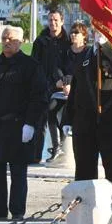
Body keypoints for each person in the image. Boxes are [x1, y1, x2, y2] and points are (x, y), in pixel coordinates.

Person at [0, 25, 48, 220]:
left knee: (18, 171)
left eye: (11, 39)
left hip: (18, 125)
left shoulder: (31, 66)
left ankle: (17, 210)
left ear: (20, 42)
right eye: (4, 38)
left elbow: (38, 97)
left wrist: (30, 123)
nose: (6, 42)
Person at [61, 29, 112, 213]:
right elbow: (75, 91)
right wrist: (68, 119)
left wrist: (106, 46)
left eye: (103, 30)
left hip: (110, 124)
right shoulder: (84, 57)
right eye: (96, 30)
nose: (98, 33)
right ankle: (85, 210)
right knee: (84, 170)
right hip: (84, 125)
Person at [31, 10, 73, 162]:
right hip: (43, 86)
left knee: (56, 114)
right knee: (39, 123)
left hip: (62, 88)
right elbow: (34, 65)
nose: (52, 23)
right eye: (50, 20)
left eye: (55, 20)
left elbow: (72, 66)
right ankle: (34, 158)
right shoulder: (40, 41)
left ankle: (58, 147)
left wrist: (66, 82)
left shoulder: (68, 41)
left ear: (62, 21)